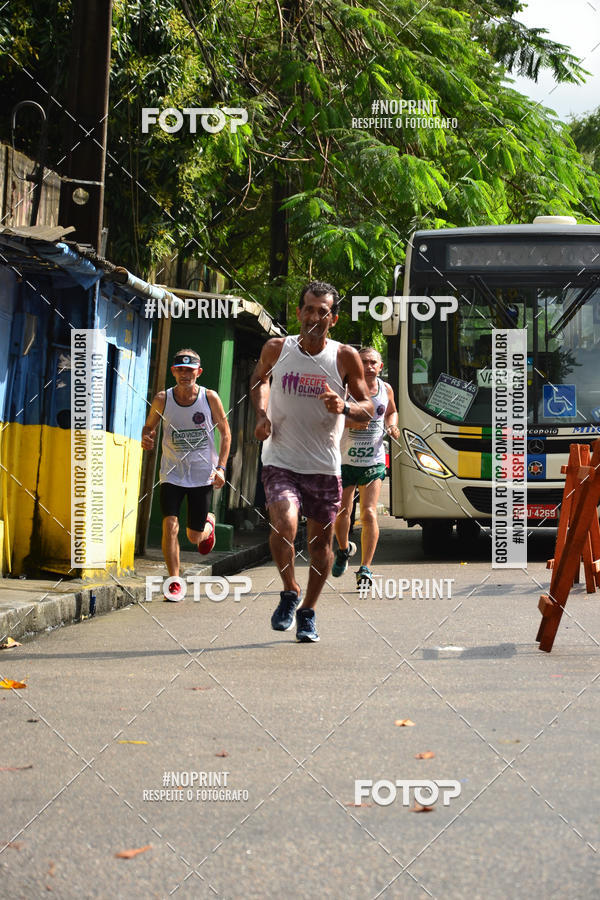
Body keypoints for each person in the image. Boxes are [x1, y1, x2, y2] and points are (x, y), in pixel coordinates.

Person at [250, 282, 373, 642]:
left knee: (320, 546)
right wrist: (261, 414)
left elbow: (368, 409)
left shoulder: (344, 357)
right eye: (309, 309)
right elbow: (259, 380)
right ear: (299, 312)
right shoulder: (277, 348)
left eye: (323, 311)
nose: (315, 317)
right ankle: (289, 590)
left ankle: (308, 611)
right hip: (280, 457)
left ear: (332, 319)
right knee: (284, 524)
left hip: (323, 464)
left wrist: (345, 406)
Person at [141, 349, 231, 600]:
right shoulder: (162, 399)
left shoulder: (209, 398)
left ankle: (208, 525)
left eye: (189, 371)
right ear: (173, 371)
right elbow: (149, 426)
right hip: (172, 473)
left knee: (193, 536)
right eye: (180, 369)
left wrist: (221, 468)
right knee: (170, 524)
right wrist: (146, 436)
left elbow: (226, 433)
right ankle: (174, 580)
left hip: (202, 475)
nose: (184, 374)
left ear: (198, 373)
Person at [333, 347, 399, 590]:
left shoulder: (386, 389)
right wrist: (351, 422)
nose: (369, 366)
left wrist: (392, 426)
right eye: (364, 362)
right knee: (343, 513)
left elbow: (391, 412)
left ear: (380, 366)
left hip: (373, 461)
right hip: (344, 461)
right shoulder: (345, 388)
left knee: (369, 513)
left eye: (373, 362)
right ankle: (342, 550)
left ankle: (365, 569)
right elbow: (327, 418)